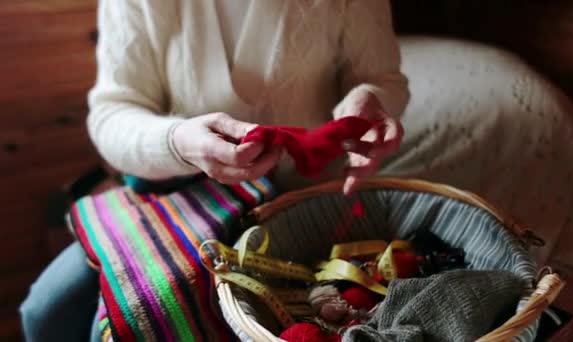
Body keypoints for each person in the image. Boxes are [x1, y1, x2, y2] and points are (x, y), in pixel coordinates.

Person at [20, 1, 407, 341]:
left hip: (296, 207)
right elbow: (112, 111)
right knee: (44, 313)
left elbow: (383, 78)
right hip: (180, 194)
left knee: (114, 329)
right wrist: (177, 142)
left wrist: (372, 99)